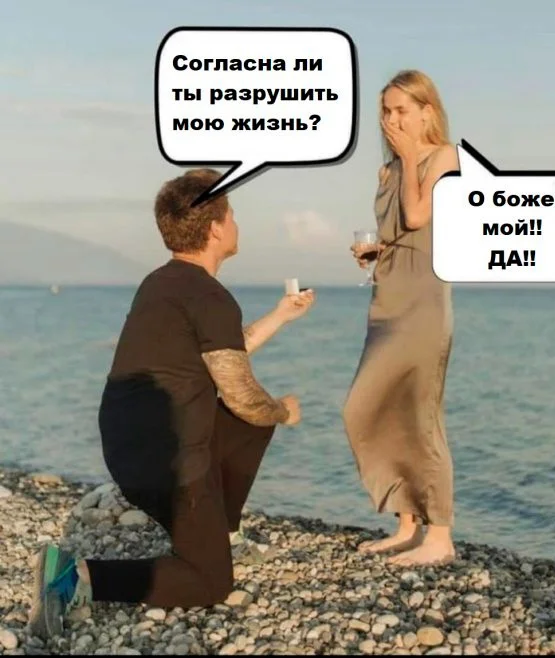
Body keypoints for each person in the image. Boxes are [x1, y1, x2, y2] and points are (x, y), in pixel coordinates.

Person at [28, 168, 315, 638]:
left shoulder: (161, 283)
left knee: (252, 420)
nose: (236, 224)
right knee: (211, 581)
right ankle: (75, 576)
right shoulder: (210, 296)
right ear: (216, 228)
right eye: (232, 215)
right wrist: (285, 410)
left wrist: (281, 316)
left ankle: (219, 531)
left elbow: (223, 352)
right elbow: (241, 395)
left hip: (129, 454)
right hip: (170, 467)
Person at [343, 70, 459, 567]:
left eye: (402, 111)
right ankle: (407, 525)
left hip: (423, 303)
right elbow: (398, 233)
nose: (391, 121)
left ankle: (440, 535)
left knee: (420, 415)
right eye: (386, 112)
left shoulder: (445, 158)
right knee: (376, 409)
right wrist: (373, 253)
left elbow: (417, 217)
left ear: (426, 111)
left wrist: (412, 155)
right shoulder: (387, 171)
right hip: (386, 300)